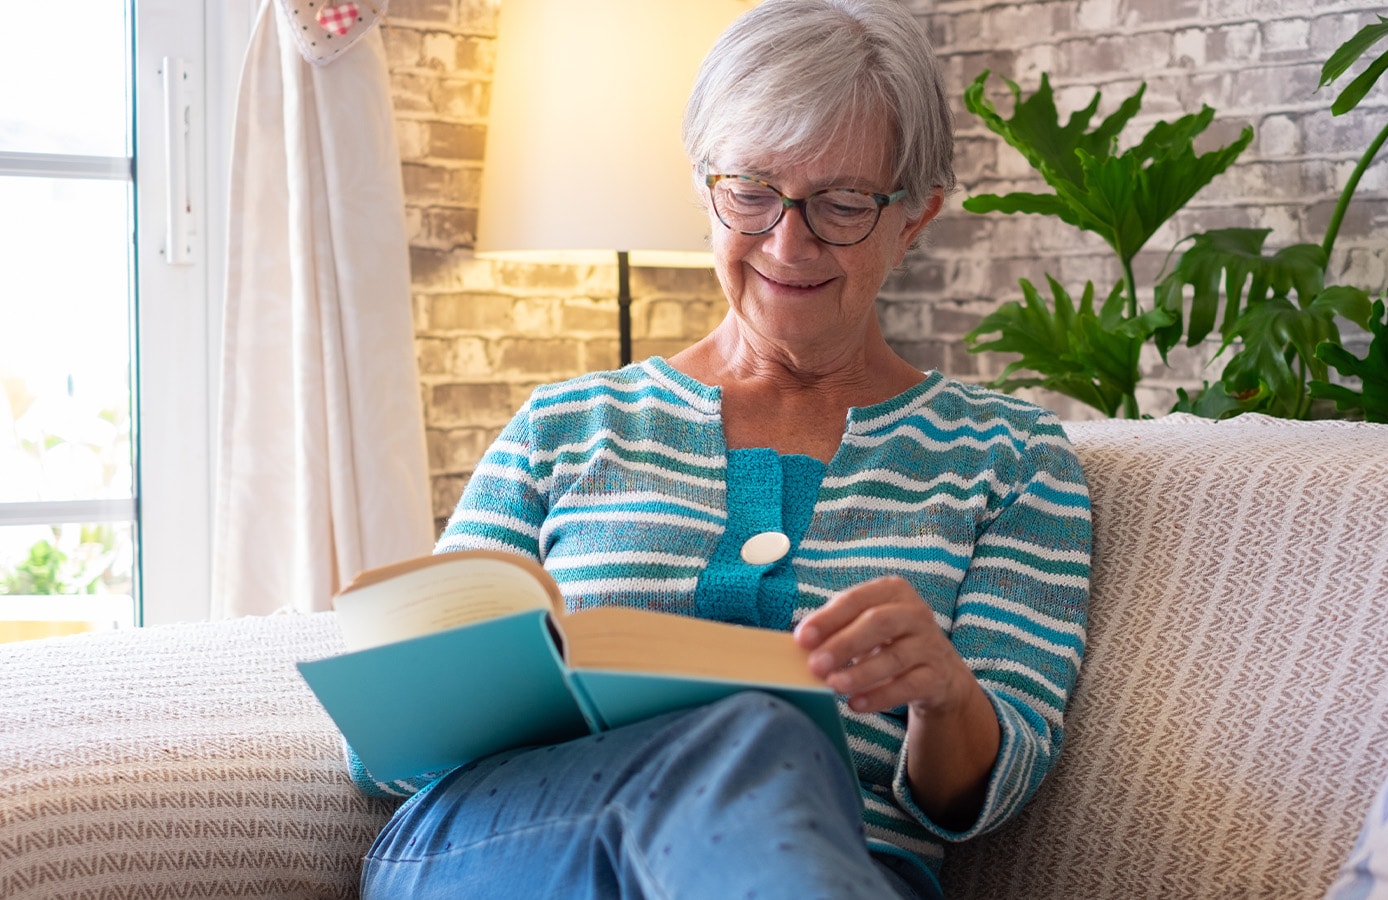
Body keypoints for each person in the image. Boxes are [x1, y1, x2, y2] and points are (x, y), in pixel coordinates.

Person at [352, 0, 1091, 896]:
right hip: (507, 847)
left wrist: (944, 693)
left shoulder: (1010, 459)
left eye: (842, 205)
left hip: (841, 868)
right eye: (751, 192)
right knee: (758, 734)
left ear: (914, 218)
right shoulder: (565, 427)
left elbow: (990, 788)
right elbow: (388, 753)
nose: (788, 242)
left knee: (766, 747)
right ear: (705, 190)